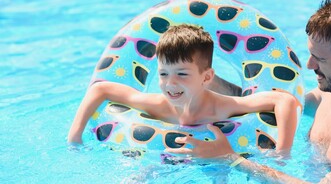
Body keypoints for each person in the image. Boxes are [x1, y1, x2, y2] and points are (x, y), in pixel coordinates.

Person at [167, 0, 331, 183]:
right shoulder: (326, 97)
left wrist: (232, 159)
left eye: (320, 59)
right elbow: (254, 103)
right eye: (310, 55)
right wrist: (202, 79)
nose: (309, 65)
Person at [67, 24, 298, 153]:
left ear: (207, 77)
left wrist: (283, 152)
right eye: (164, 74)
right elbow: (100, 90)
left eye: (182, 74)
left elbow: (285, 101)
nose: (170, 84)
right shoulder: (158, 105)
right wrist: (75, 135)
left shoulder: (223, 107)